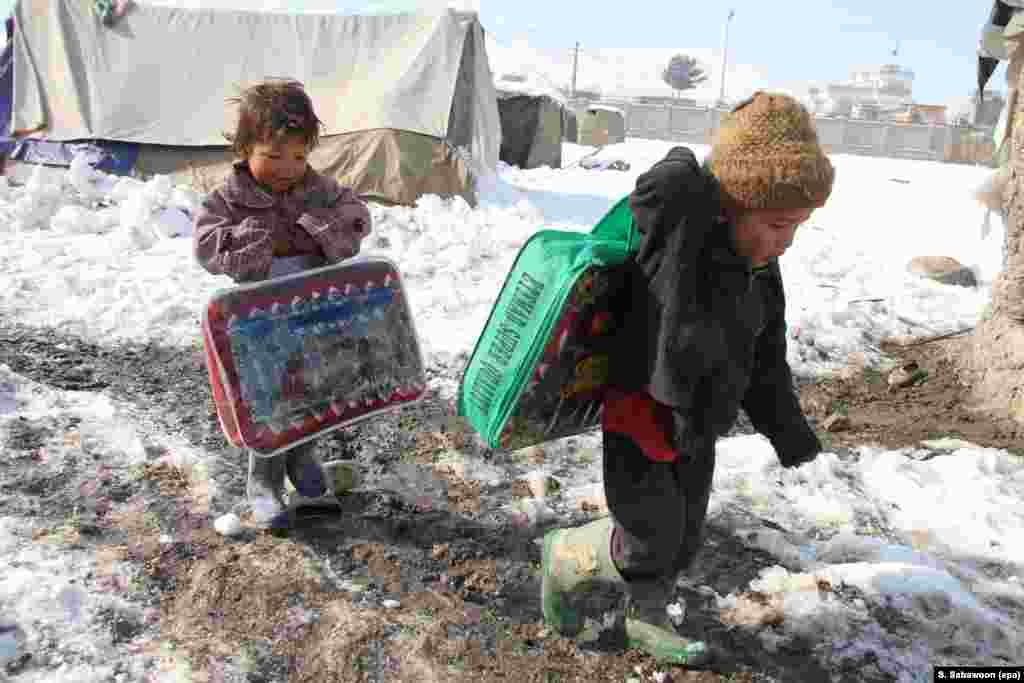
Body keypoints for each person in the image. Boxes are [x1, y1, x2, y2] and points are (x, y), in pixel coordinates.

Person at [540, 92, 835, 666]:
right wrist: (695, 173)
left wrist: (788, 430)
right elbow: (661, 187)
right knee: (649, 530)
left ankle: (646, 612)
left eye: (798, 227)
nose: (787, 241)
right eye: (777, 225)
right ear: (734, 201)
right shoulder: (681, 229)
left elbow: (767, 359)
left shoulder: (762, 274)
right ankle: (566, 554)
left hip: (699, 421)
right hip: (643, 406)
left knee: (684, 534)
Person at [194, 79, 371, 528]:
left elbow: (356, 219)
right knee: (267, 398)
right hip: (258, 322)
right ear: (244, 147)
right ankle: (265, 482)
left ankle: (303, 464)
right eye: (272, 156)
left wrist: (323, 227)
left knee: (310, 389)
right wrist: (252, 240)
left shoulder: (320, 191)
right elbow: (206, 244)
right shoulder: (229, 199)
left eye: (297, 156)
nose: (287, 168)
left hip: (313, 316)